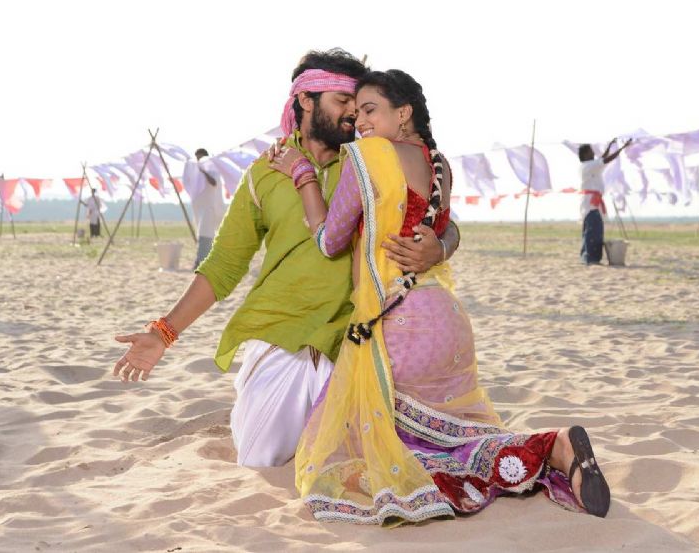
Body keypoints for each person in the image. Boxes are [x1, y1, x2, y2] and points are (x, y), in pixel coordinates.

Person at [272, 69, 610, 525]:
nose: (360, 122)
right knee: (454, 436)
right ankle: (554, 445)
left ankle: (546, 448)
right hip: (446, 318)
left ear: (403, 113)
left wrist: (302, 177)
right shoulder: (439, 164)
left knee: (365, 454)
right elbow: (446, 228)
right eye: (356, 113)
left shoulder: (366, 156)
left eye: (369, 110)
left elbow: (330, 240)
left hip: (398, 323)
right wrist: (444, 246)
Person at [111, 49, 460, 468]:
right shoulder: (264, 172)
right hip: (282, 335)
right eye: (342, 101)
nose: (353, 113)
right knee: (260, 459)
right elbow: (223, 265)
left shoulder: (372, 158)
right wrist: (163, 333)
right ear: (306, 100)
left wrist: (440, 247)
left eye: (359, 104)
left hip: (356, 340)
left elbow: (437, 214)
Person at [577, 139, 631, 265]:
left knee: (592, 229)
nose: (593, 153)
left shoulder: (588, 166)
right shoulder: (589, 166)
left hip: (591, 202)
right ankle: (591, 258)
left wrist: (610, 146)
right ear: (585, 154)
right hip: (591, 203)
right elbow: (606, 159)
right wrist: (622, 148)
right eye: (590, 151)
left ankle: (588, 257)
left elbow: (601, 159)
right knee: (593, 230)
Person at [190, 147, 226, 270]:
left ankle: (201, 262)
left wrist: (204, 173)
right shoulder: (199, 171)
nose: (198, 160)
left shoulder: (212, 170)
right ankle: (203, 261)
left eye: (199, 158)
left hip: (212, 208)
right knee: (205, 234)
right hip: (204, 209)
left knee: (205, 234)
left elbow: (214, 183)